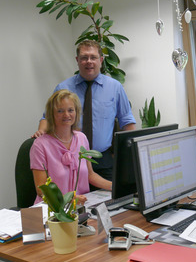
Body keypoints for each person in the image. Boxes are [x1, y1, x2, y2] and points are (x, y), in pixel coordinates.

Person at [33, 40, 136, 181]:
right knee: (76, 198)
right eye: (84, 57)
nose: (89, 61)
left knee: (114, 198)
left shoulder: (115, 88)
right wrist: (41, 132)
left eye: (93, 57)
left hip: (104, 159)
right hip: (70, 161)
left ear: (100, 60)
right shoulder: (63, 88)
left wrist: (128, 156)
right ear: (77, 60)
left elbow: (127, 122)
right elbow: (47, 117)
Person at [30, 90, 112, 205]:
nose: (67, 115)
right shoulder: (40, 145)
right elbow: (41, 190)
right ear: (51, 114)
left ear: (76, 112)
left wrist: (114, 187)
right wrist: (67, 199)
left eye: (70, 110)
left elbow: (90, 175)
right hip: (53, 208)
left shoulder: (81, 138)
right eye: (60, 111)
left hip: (81, 205)